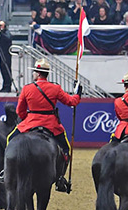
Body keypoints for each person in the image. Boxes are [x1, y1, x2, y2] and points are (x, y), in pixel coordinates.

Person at [9, 59, 82, 192]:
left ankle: (6, 171)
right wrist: (78, 93)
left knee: (10, 140)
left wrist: (27, 120)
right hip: (51, 125)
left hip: (30, 123)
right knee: (65, 149)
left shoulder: (27, 88)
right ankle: (60, 178)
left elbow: (20, 111)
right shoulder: (55, 88)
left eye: (34, 72)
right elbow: (71, 102)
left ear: (37, 73)